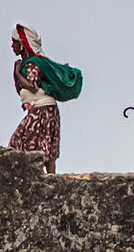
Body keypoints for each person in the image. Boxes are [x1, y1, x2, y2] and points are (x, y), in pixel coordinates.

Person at [6, 24, 82, 173]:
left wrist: (17, 72)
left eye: (14, 42)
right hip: (45, 110)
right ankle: (50, 179)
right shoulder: (29, 64)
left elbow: (32, 86)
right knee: (44, 148)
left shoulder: (32, 64)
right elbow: (21, 90)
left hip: (42, 111)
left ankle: (47, 181)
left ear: (22, 44)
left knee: (21, 144)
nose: (12, 46)